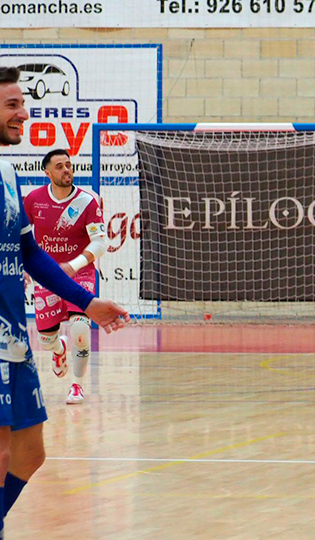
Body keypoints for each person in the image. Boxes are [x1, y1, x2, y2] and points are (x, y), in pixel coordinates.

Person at [0, 65, 129, 539]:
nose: (23, 113)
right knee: (2, 455)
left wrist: (87, 300)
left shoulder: (8, 172)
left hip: (14, 333)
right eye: (12, 105)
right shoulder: (23, 186)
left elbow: (29, 251)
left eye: (22, 103)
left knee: (31, 453)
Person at [24, 149, 108, 404]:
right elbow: (22, 238)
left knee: (81, 330)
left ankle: (77, 385)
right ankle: (58, 350)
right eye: (59, 166)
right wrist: (24, 268)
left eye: (69, 165)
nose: (66, 170)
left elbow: (101, 242)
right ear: (47, 173)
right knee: (45, 339)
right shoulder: (34, 200)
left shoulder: (87, 201)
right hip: (47, 273)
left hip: (79, 272)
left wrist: (75, 264)